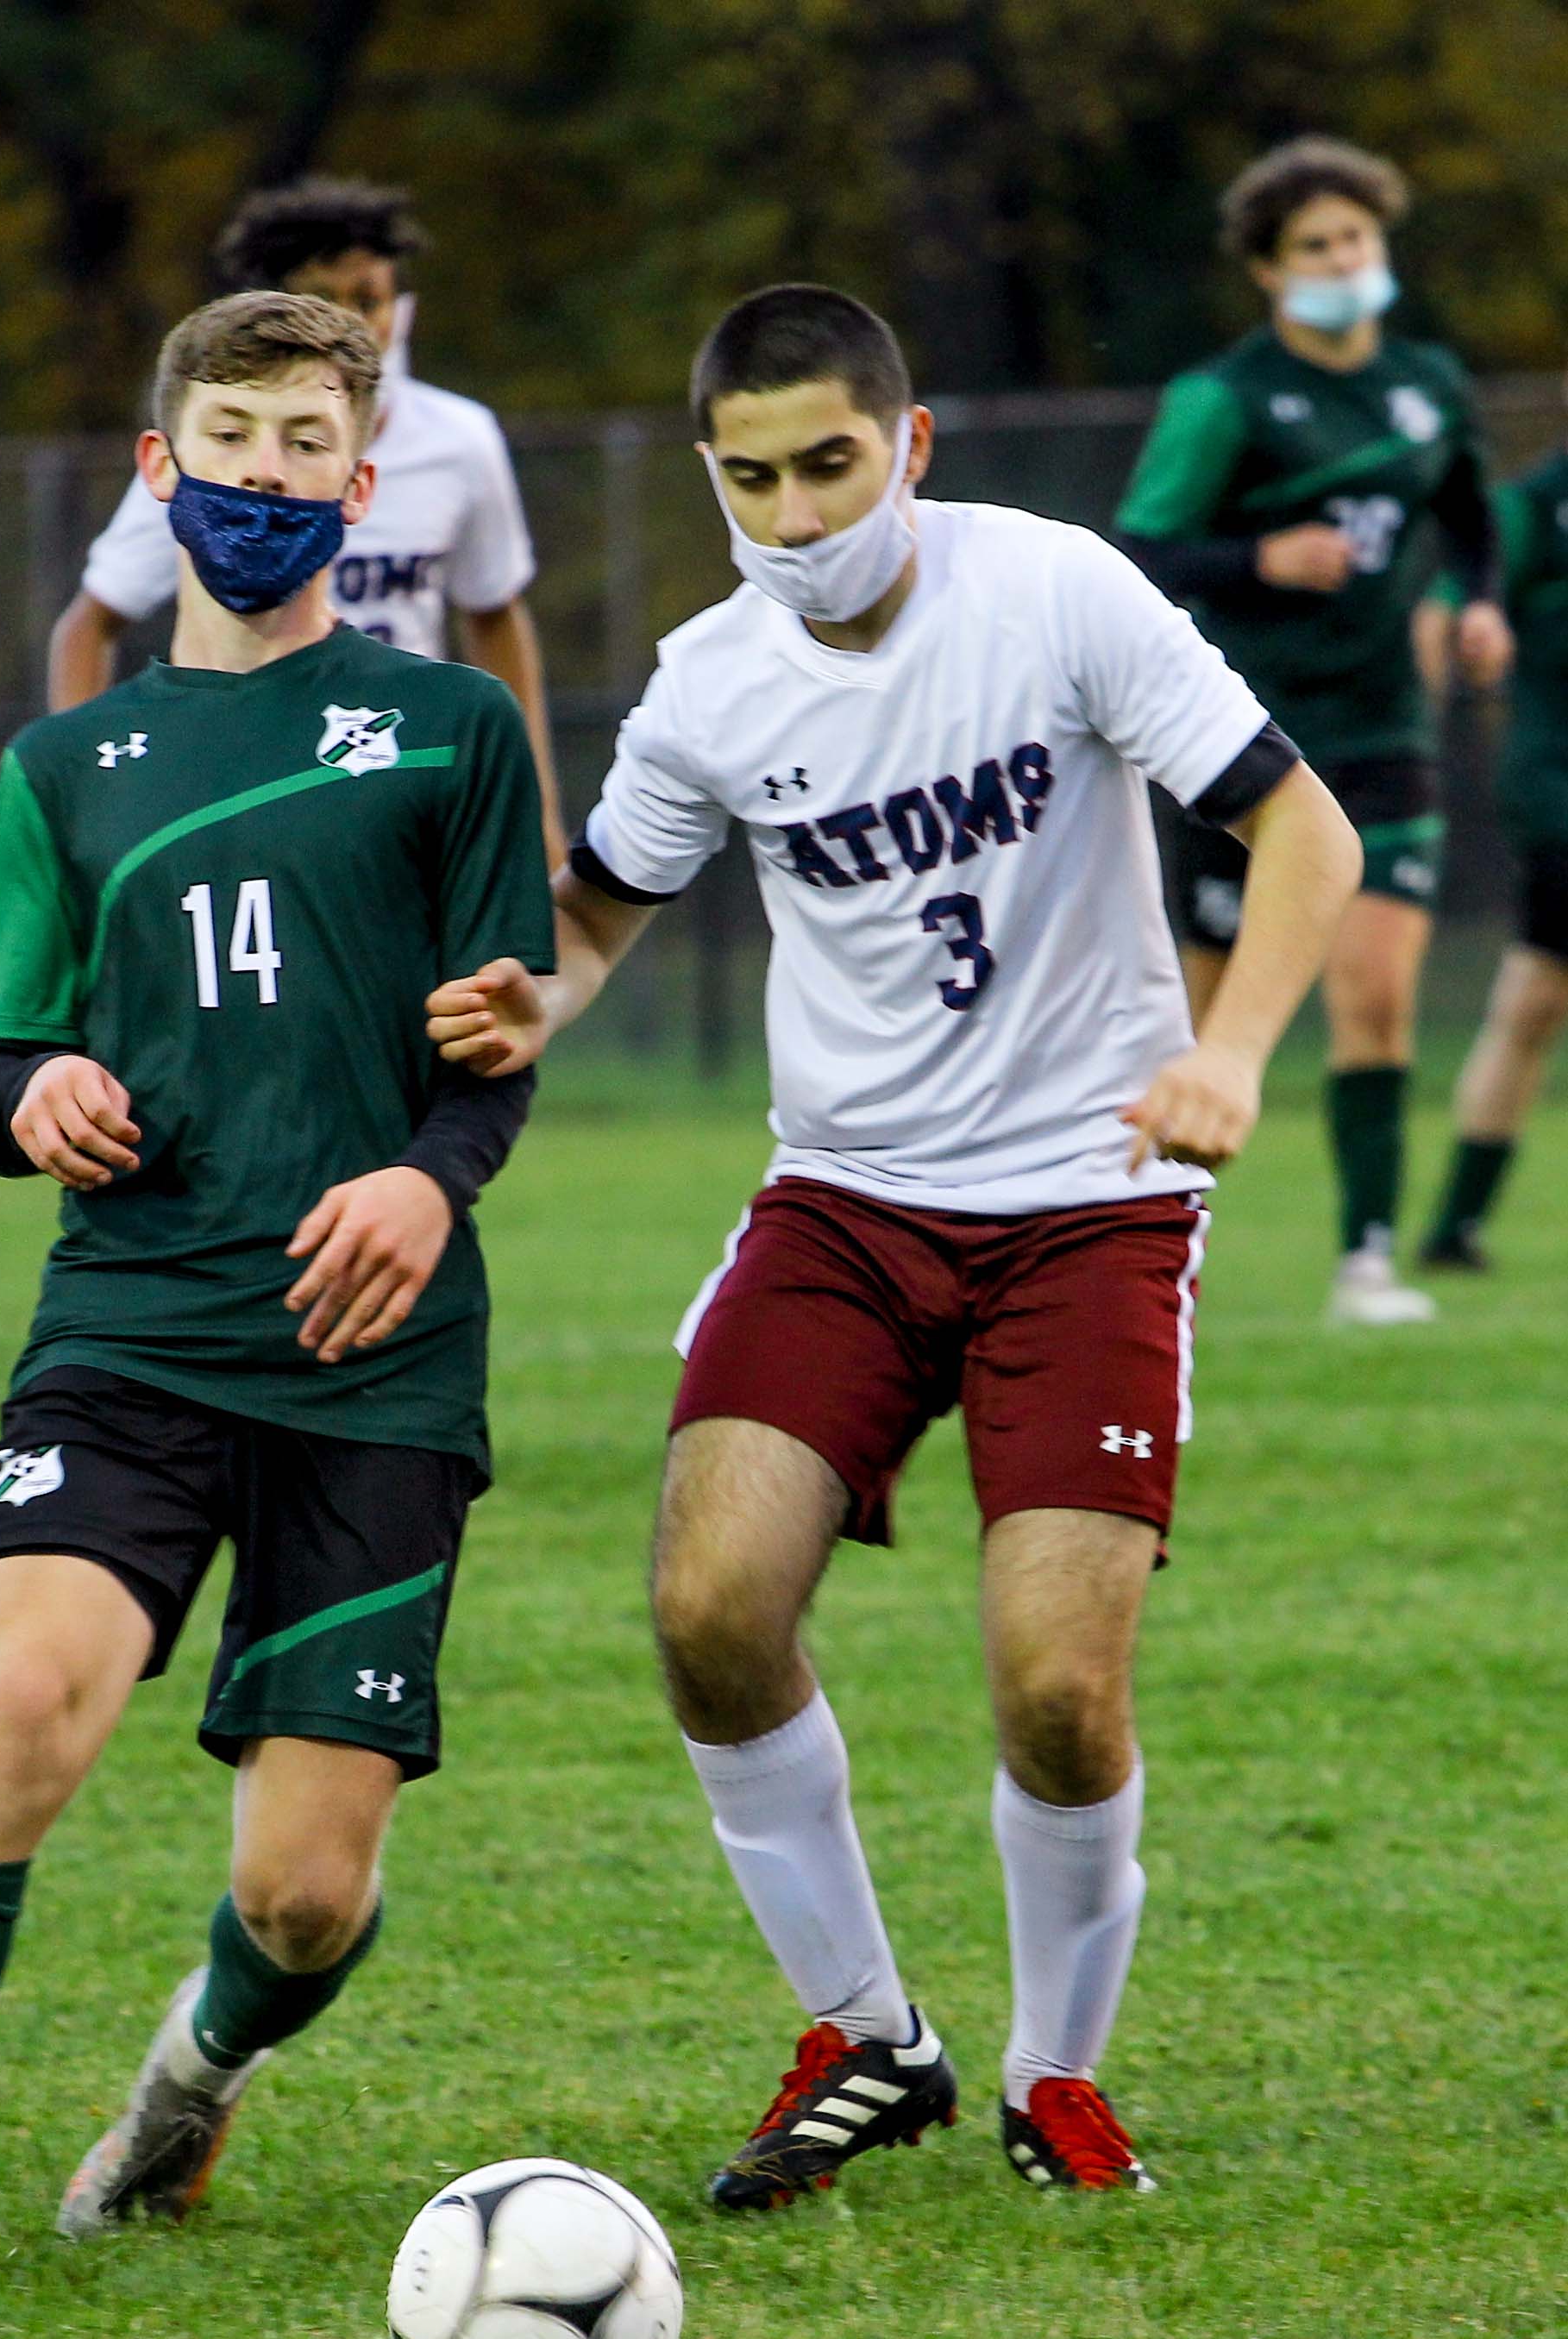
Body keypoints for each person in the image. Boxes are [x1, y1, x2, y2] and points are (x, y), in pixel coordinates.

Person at [429, 284, 1358, 2202]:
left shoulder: (1057, 593)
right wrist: (545, 1001)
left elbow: (1304, 833)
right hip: (843, 1202)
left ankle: (1054, 2072)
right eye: (749, 480)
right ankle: (867, 2035)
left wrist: (1233, 1054)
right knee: (708, 1608)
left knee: (1054, 1687)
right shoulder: (707, 680)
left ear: (907, 445)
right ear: (713, 480)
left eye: (828, 465)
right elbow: (602, 906)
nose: (793, 515)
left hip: (1091, 1204)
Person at [0, 290, 554, 2301]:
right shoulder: (64, 764)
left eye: (306, 444)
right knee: (25, 1695)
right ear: (160, 468)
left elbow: (497, 1038)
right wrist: (29, 1087)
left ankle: (191, 2081)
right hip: (127, 1333)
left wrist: (423, 1171)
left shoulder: (452, 730)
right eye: (230, 439)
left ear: (360, 482)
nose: (266, 477)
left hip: (373, 1360)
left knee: (302, 1898)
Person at [1114, 137, 1512, 1326]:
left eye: (1357, 238)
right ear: (1269, 273)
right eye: (1315, 246)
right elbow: (1136, 557)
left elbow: (1469, 520)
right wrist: (1258, 558)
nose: (1345, 260)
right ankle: (1141, 1252)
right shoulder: (1222, 398)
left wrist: (1476, 601)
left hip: (1385, 726)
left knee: (1377, 988)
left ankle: (1368, 1261)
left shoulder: (1428, 384)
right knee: (1192, 1011)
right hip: (1239, 736)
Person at [48, 175, 565, 866]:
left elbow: (494, 610)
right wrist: (84, 797)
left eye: (370, 299)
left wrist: (538, 806)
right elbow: (89, 622)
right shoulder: (213, 467)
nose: (354, 321)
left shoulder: (460, 442)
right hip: (257, 775)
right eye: (326, 298)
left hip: (401, 769)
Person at [1421, 377, 1568, 1267]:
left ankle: (1452, 1230)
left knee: (1531, 1000)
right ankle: (1455, 1226)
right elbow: (1447, 608)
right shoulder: (1534, 511)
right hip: (1556, 794)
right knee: (1532, 1001)